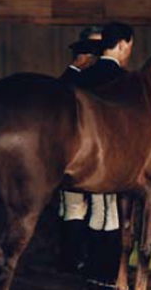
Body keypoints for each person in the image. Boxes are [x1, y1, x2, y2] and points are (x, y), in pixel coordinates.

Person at [78, 21, 134, 290]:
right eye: (129, 48)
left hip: (84, 157)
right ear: (122, 44)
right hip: (112, 157)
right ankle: (108, 273)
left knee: (96, 211)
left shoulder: (84, 74)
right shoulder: (123, 79)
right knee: (112, 214)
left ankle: (92, 267)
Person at [57, 26, 102, 274]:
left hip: (72, 154)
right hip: (80, 153)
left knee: (72, 207)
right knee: (79, 207)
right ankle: (76, 255)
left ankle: (70, 255)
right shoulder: (79, 79)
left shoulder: (69, 77)